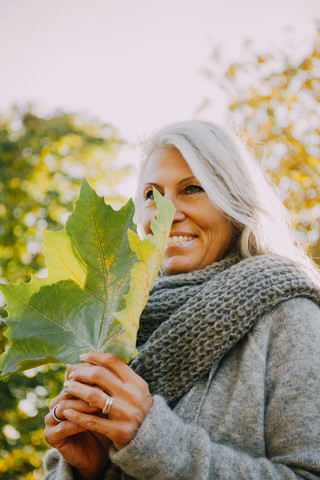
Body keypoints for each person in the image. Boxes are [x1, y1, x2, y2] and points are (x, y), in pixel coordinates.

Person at [43, 120, 320, 480]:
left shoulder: (291, 316)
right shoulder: (115, 320)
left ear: (234, 204)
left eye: (191, 188)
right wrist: (91, 471)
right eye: (150, 195)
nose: (165, 211)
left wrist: (152, 442)